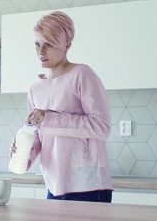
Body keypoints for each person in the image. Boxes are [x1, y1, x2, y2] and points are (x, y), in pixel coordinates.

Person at [10, 11, 113, 203]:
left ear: (67, 45)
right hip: (54, 186)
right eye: (37, 44)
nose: (40, 52)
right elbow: (38, 135)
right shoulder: (35, 88)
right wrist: (24, 153)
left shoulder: (82, 75)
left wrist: (49, 118)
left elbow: (102, 127)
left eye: (48, 44)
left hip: (88, 186)